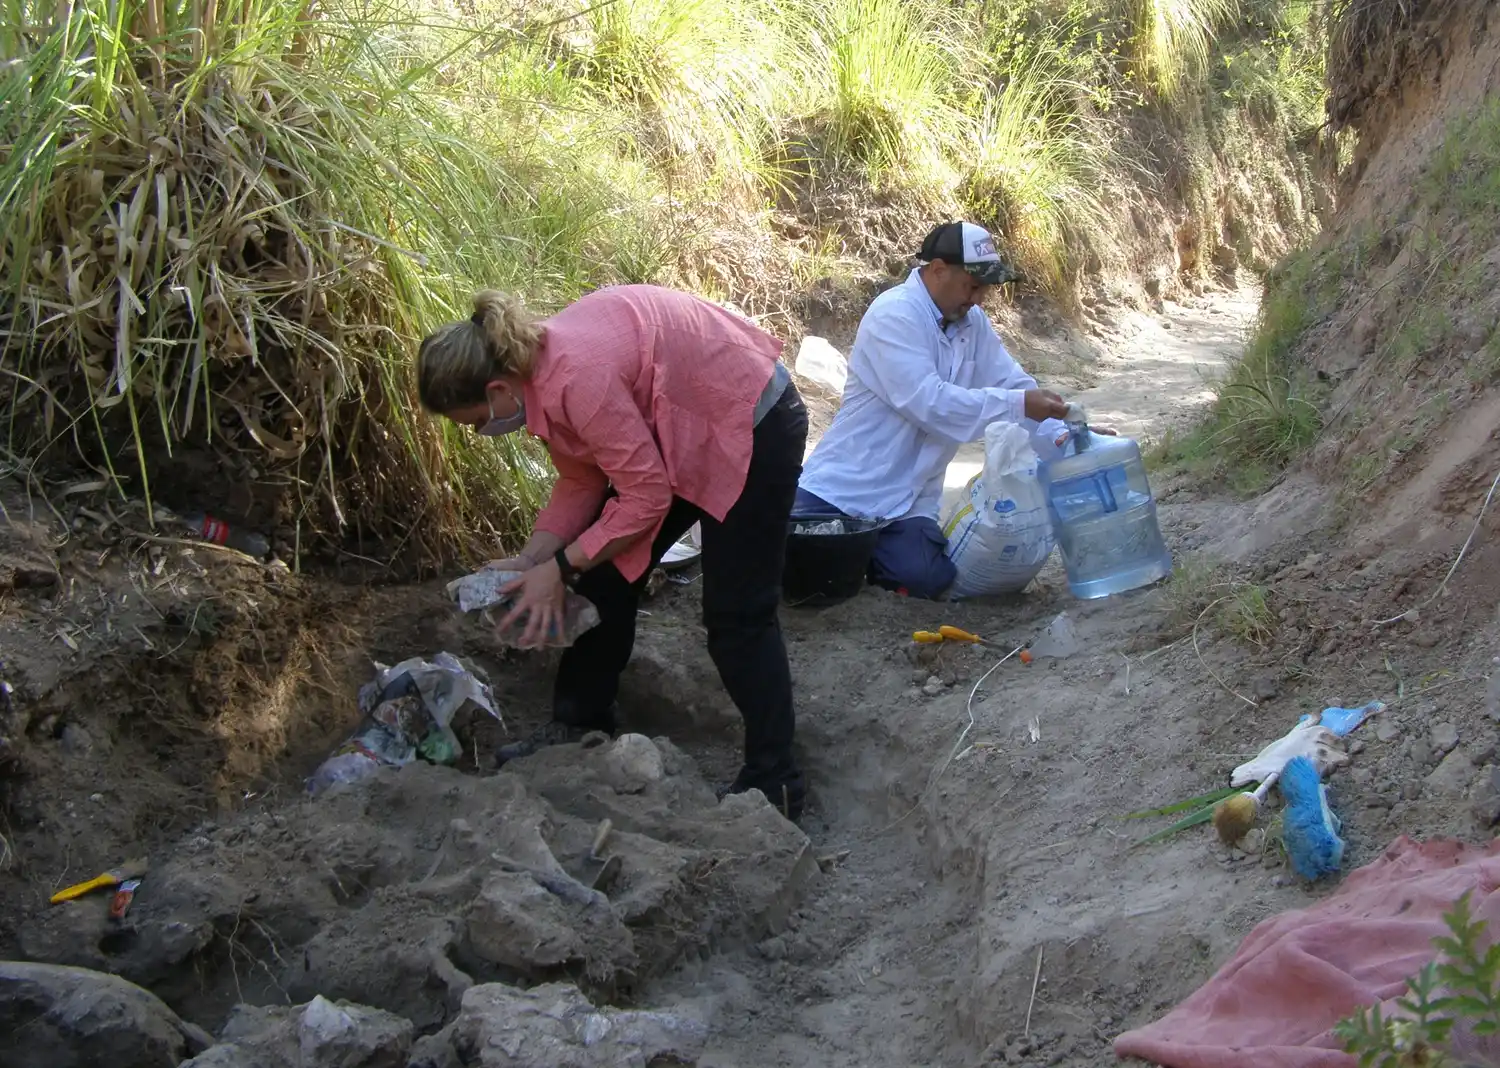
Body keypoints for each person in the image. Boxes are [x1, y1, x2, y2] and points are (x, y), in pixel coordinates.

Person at [417, 285, 809, 820]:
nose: (481, 431)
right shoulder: (536, 374)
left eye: (474, 421)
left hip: (749, 417)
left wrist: (559, 568)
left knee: (738, 616)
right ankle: (581, 723)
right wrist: (535, 559)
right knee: (603, 577)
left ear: (497, 389)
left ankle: (776, 780)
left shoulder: (575, 377)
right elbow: (581, 478)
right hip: (674, 425)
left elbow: (644, 498)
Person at [795, 221, 1110, 600]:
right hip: (843, 489)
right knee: (791, 564)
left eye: (984, 290)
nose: (978, 299)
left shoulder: (971, 323)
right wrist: (1018, 404)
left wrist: (1067, 437)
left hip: (909, 504)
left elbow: (1013, 384)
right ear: (938, 269)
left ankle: (867, 558)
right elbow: (930, 403)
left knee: (926, 580)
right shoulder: (893, 315)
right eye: (972, 286)